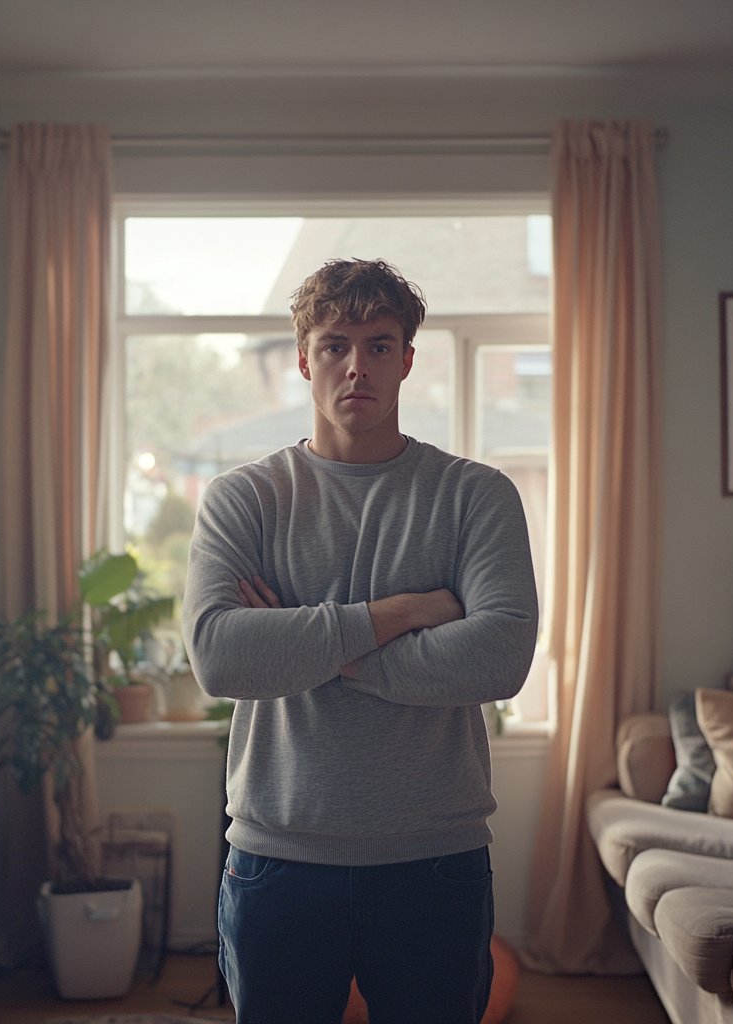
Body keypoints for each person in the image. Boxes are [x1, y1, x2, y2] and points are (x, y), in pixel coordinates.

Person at [181, 258, 539, 1024]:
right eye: (336, 344)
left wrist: (308, 643)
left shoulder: (475, 495)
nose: (357, 366)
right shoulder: (244, 498)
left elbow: (501, 658)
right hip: (278, 859)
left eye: (379, 345)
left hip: (435, 860)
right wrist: (399, 613)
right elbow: (219, 655)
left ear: (408, 360)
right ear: (304, 358)